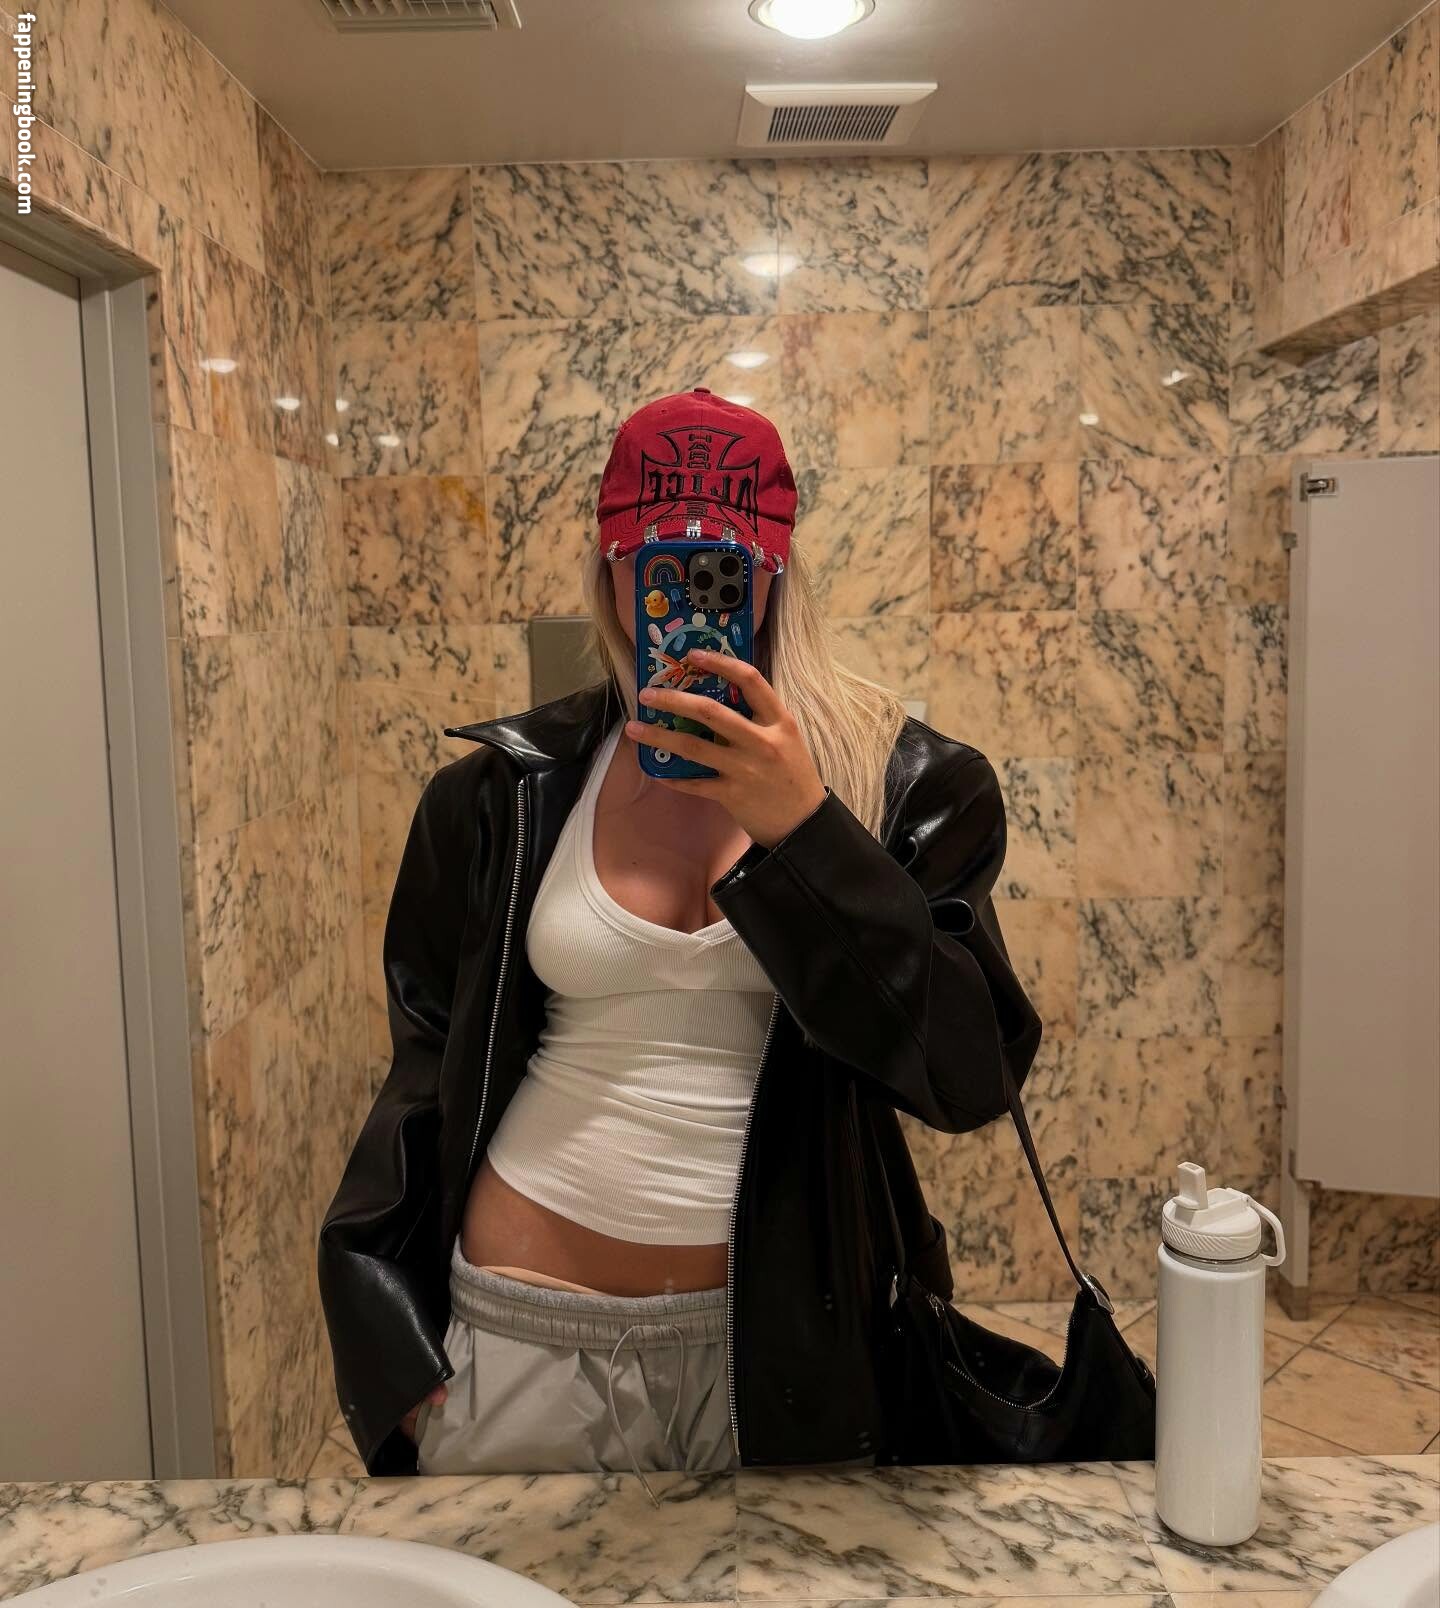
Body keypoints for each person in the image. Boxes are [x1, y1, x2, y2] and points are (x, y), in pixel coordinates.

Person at [318, 387, 1043, 1499]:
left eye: (723, 565)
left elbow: (966, 1074)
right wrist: (394, 1352)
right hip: (513, 1336)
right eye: (652, 562)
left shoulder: (910, 786)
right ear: (608, 569)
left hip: (783, 1358)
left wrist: (805, 833)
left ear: (776, 571)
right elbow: (422, 1072)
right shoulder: (504, 793)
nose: (687, 593)